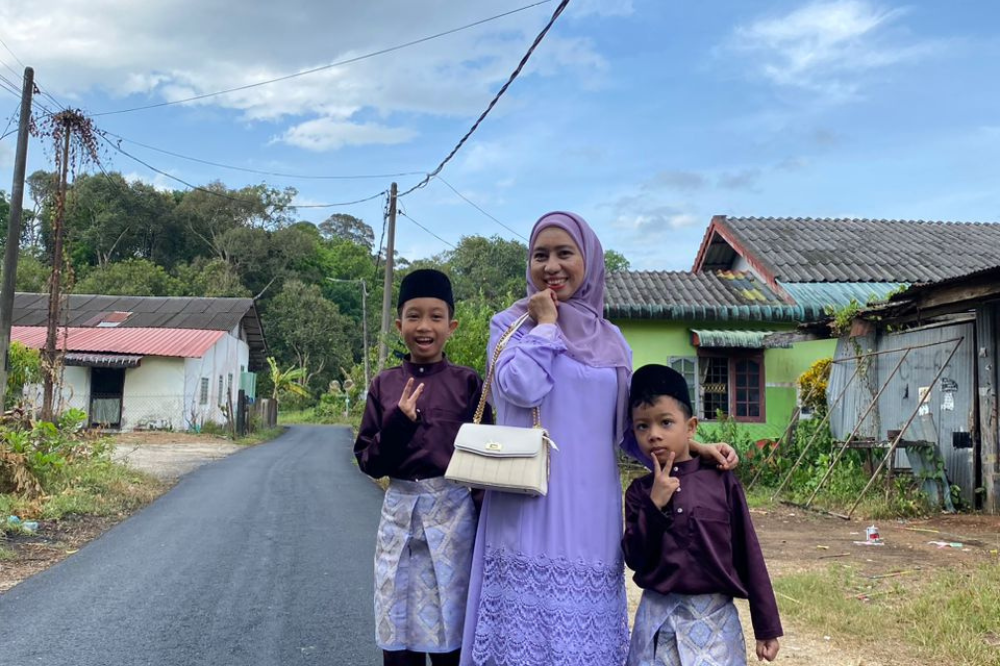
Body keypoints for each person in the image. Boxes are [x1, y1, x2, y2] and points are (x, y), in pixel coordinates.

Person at [459, 212, 737, 666]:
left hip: (591, 512)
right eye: (540, 255)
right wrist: (546, 326)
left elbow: (628, 430)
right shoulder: (510, 325)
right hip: (524, 505)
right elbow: (521, 387)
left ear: (588, 260)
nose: (552, 266)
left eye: (564, 253)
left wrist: (692, 450)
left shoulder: (612, 340)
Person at [355, 268, 491, 666]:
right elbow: (368, 461)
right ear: (399, 325)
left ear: (452, 326)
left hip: (455, 521)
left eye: (435, 316)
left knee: (453, 632)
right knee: (398, 635)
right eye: (414, 316)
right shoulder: (384, 385)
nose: (424, 326)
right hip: (398, 516)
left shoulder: (468, 383)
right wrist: (399, 423)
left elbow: (484, 461)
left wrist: (486, 522)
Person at [622, 364, 782, 665]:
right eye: (642, 426)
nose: (654, 435)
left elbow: (748, 552)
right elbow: (635, 558)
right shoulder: (640, 493)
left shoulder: (721, 482)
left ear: (691, 427)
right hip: (657, 627)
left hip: (716, 628)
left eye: (666, 422)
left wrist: (766, 627)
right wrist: (654, 505)